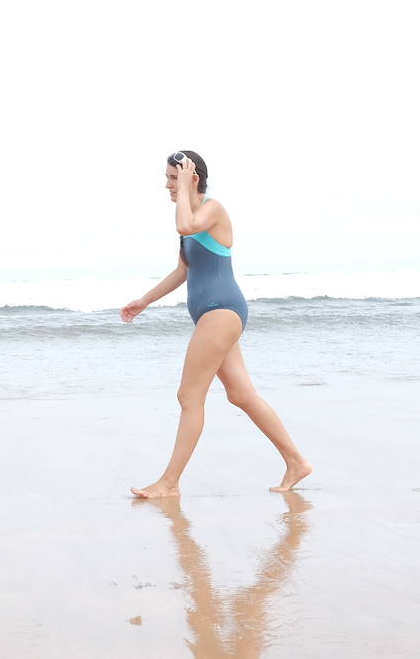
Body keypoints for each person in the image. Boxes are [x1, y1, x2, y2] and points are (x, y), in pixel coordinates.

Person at [121, 151, 312, 496]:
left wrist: (183, 188)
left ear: (192, 177)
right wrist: (145, 300)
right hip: (212, 314)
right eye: (167, 179)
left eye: (172, 177)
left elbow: (186, 224)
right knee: (241, 395)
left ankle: (169, 483)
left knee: (189, 396)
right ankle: (297, 462)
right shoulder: (188, 221)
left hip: (221, 311)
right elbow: (183, 270)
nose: (167, 185)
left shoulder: (212, 209)